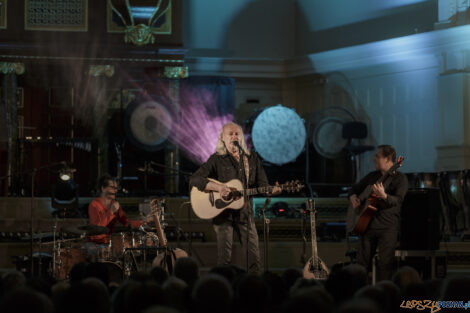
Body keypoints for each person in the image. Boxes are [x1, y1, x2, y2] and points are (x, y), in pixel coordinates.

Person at [190, 122, 281, 273]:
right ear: (223, 139)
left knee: (253, 259)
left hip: (245, 214)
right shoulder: (217, 159)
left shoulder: (252, 159)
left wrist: (273, 190)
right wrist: (219, 187)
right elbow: (195, 180)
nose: (234, 136)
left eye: (237, 134)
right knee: (224, 260)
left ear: (241, 138)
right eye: (230, 134)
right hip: (222, 214)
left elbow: (263, 186)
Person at [348, 145, 408, 281]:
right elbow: (353, 189)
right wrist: (353, 196)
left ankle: (385, 295)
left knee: (385, 265)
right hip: (366, 225)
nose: (374, 158)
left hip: (387, 228)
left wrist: (384, 196)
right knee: (361, 264)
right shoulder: (372, 176)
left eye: (377, 156)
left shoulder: (400, 179)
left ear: (388, 159)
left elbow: (398, 201)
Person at [88, 174, 153, 244]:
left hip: (109, 243)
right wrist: (111, 211)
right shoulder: (94, 204)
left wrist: (146, 220)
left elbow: (127, 223)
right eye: (112, 187)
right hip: (95, 244)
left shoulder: (114, 204)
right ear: (103, 188)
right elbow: (97, 229)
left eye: (116, 188)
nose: (115, 191)